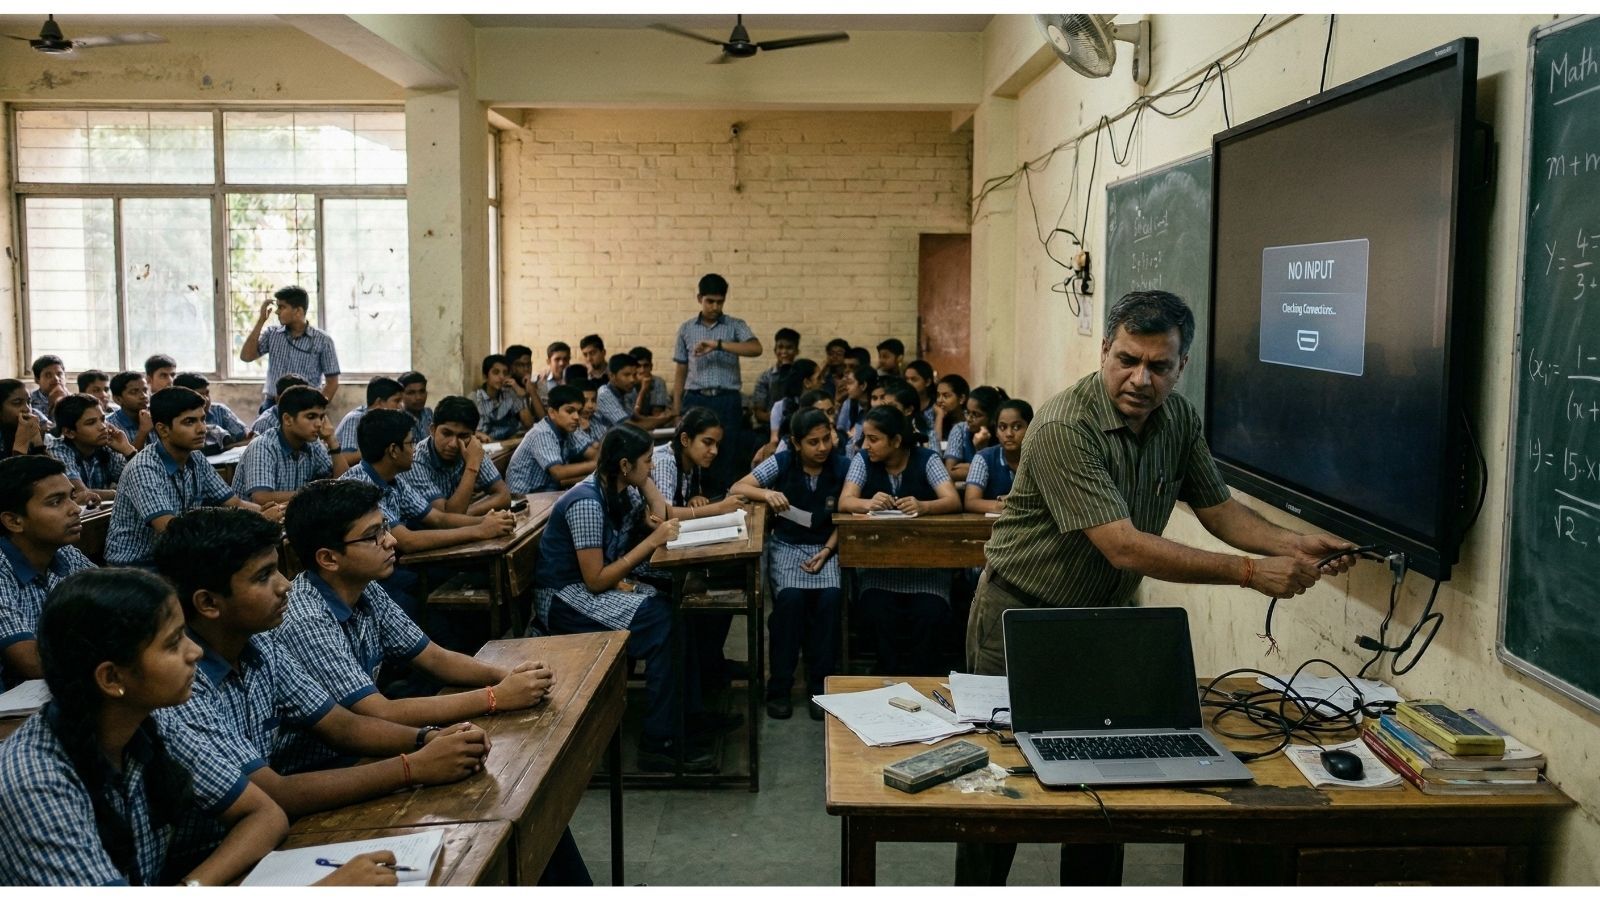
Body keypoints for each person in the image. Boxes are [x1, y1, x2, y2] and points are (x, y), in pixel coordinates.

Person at [959, 290, 1357, 887]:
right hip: (1023, 617)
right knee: (1002, 789)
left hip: (1110, 623)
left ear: (1182, 366)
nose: (1140, 379)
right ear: (1104, 351)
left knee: (1106, 789)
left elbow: (1218, 509)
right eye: (1127, 359)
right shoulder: (1067, 425)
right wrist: (1249, 573)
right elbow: (1124, 545)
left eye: (1159, 366)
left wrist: (1292, 545)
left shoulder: (1179, 420)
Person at [151, 508, 489, 873]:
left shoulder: (258, 645)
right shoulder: (181, 683)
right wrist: (414, 767)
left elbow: (342, 724)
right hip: (206, 860)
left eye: (279, 568)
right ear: (208, 603)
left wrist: (427, 739)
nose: (285, 585)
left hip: (268, 834)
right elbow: (272, 792)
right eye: (264, 576)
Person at [0, 568, 305, 886]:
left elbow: (264, 814)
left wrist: (190, 887)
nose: (196, 651)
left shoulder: (150, 719)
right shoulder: (33, 781)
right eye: (173, 644)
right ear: (112, 678)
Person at [535, 425, 726, 772]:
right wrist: (652, 543)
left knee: (681, 599)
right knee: (660, 622)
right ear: (624, 465)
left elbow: (662, 513)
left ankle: (689, 715)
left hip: (603, 581)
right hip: (566, 598)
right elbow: (594, 581)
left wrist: (641, 478)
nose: (653, 467)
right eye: (648, 461)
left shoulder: (624, 487)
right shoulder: (586, 502)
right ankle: (659, 741)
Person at [733, 408, 846, 721]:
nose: (822, 447)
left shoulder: (843, 465)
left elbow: (847, 515)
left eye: (826, 439)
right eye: (813, 442)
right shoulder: (782, 462)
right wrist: (767, 493)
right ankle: (779, 687)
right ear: (796, 443)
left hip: (828, 547)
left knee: (830, 601)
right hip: (787, 547)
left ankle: (819, 688)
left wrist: (826, 550)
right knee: (789, 602)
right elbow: (738, 488)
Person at [839, 406, 961, 675]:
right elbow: (845, 500)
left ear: (895, 440)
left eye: (874, 439)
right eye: (865, 438)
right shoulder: (863, 461)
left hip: (926, 570)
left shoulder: (926, 459)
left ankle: (922, 678)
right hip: (880, 570)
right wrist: (868, 503)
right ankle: (888, 674)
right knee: (877, 611)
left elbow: (952, 499)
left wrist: (924, 506)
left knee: (931, 613)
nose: (866, 445)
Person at [104, 387, 275, 568]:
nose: (201, 428)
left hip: (177, 555)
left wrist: (269, 513)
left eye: (202, 419)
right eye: (189, 422)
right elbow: (171, 531)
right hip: (136, 566)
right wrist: (259, 519)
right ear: (163, 430)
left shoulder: (195, 457)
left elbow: (235, 503)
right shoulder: (143, 468)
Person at [338, 409, 514, 555]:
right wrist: (480, 531)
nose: (414, 449)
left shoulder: (395, 480)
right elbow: (406, 540)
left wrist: (488, 520)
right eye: (410, 443)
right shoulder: (361, 487)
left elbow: (438, 518)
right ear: (393, 450)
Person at [0, 456, 96, 688]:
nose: (75, 509)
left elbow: (119, 602)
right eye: (55, 502)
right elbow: (31, 662)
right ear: (14, 521)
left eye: (72, 497)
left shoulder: (66, 554)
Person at [671, 273, 763, 488]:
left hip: (727, 400)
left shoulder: (734, 325)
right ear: (699, 299)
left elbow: (755, 348)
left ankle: (723, 501)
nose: (714, 306)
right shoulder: (686, 329)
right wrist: (676, 411)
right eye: (709, 301)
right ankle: (692, 496)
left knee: (726, 451)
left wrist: (718, 344)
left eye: (719, 302)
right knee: (690, 452)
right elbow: (680, 371)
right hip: (695, 399)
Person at [232, 386, 345, 506]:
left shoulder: (313, 445)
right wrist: (315, 494)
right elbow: (261, 498)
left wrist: (332, 442)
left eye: (321, 417)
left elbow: (343, 486)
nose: (318, 424)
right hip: (256, 521)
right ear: (287, 419)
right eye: (311, 417)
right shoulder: (263, 446)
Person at [401, 396, 511, 515]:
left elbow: (504, 496)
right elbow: (446, 517)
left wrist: (465, 514)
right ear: (432, 430)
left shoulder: (472, 449)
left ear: (473, 436)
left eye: (463, 436)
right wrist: (471, 466)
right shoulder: (416, 461)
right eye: (446, 433)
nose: (453, 444)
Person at [240, 285, 341, 408]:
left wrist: (317, 408)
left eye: (282, 307)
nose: (277, 312)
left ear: (298, 311)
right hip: (273, 404)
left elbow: (332, 383)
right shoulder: (272, 334)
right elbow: (246, 356)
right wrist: (261, 320)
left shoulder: (323, 340)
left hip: (305, 405)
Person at [506, 384, 596, 494]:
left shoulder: (568, 430)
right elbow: (558, 472)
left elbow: (593, 454)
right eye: (569, 411)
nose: (576, 417)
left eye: (578, 411)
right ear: (552, 413)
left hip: (547, 492)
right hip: (524, 498)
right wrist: (597, 464)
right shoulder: (542, 433)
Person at [47, 394, 136, 503]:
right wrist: (116, 493)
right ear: (69, 432)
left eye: (103, 419)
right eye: (91, 423)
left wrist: (127, 450)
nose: (103, 427)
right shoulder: (58, 450)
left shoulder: (106, 447)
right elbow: (80, 494)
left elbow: (143, 483)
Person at [963, 399, 1032, 514]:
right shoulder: (984, 458)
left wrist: (1016, 502)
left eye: (1017, 427)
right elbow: (971, 501)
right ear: (995, 431)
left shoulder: (1040, 456)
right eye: (1002, 427)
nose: (1009, 434)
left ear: (1030, 428)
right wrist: (1005, 506)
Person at [754, 359, 823, 464]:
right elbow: (774, 440)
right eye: (819, 378)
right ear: (807, 383)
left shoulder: (821, 405)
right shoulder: (780, 407)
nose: (823, 381)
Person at [334, 376, 405, 465]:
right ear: (379, 402)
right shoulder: (355, 419)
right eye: (397, 401)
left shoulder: (387, 421)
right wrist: (378, 451)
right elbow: (346, 458)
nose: (400, 406)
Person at [945, 385, 1008, 480]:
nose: (969, 419)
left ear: (992, 418)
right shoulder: (960, 429)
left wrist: (981, 449)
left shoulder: (1003, 435)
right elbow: (948, 473)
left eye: (975, 414)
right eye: (967, 412)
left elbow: (1001, 476)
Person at [172, 372, 249, 449]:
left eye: (207, 393)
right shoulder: (175, 416)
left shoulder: (219, 410)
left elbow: (246, 438)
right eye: (199, 395)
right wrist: (227, 447)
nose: (206, 399)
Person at [472, 354, 534, 442]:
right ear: (485, 376)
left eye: (505, 373)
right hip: (490, 447)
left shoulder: (509, 393)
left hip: (511, 444)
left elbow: (529, 424)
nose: (501, 377)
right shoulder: (475, 398)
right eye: (496, 372)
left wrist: (521, 396)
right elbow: (476, 433)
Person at [751, 327, 800, 429]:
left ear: (797, 351)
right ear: (775, 350)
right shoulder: (765, 378)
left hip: (797, 427)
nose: (784, 351)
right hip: (770, 428)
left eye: (789, 348)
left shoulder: (802, 375)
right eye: (780, 347)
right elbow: (759, 413)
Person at [1, 379, 49, 461]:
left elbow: (46, 469)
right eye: (17, 403)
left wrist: (37, 442)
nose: (27, 409)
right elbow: (13, 472)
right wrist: (21, 444)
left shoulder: (29, 424)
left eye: (29, 402)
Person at [106, 371, 153, 451]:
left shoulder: (155, 417)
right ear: (118, 399)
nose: (144, 396)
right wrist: (143, 431)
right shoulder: (110, 426)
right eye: (134, 392)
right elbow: (126, 462)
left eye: (145, 390)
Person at [503, 343, 547, 421]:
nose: (526, 369)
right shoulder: (506, 387)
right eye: (520, 365)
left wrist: (532, 392)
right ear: (511, 367)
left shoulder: (535, 384)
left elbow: (543, 419)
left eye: (529, 364)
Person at [929, 373, 969, 457]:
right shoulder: (936, 420)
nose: (939, 400)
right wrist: (939, 416)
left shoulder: (969, 423)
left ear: (961, 399)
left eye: (946, 396)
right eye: (938, 395)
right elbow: (934, 455)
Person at [628, 346, 672, 416]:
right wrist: (643, 390)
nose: (642, 370)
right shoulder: (627, 384)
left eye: (646, 366)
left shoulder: (657, 382)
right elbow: (633, 416)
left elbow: (657, 414)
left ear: (651, 366)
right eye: (638, 366)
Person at [28, 354, 67, 429]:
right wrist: (51, 406)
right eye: (48, 375)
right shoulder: (29, 401)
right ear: (37, 380)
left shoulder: (75, 399)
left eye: (59, 374)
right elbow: (47, 431)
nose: (56, 379)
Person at [398, 371, 433, 444]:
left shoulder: (429, 414)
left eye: (422, 391)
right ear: (400, 395)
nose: (418, 397)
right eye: (411, 393)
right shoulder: (397, 419)